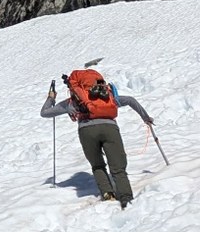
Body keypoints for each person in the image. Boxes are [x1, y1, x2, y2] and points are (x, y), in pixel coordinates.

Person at [41, 67, 154, 208]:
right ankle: (127, 199)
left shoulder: (75, 100)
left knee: (97, 165)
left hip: (86, 131)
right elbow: (131, 100)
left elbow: (45, 113)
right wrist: (146, 118)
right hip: (110, 128)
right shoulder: (107, 95)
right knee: (118, 167)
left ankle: (108, 195)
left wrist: (51, 98)